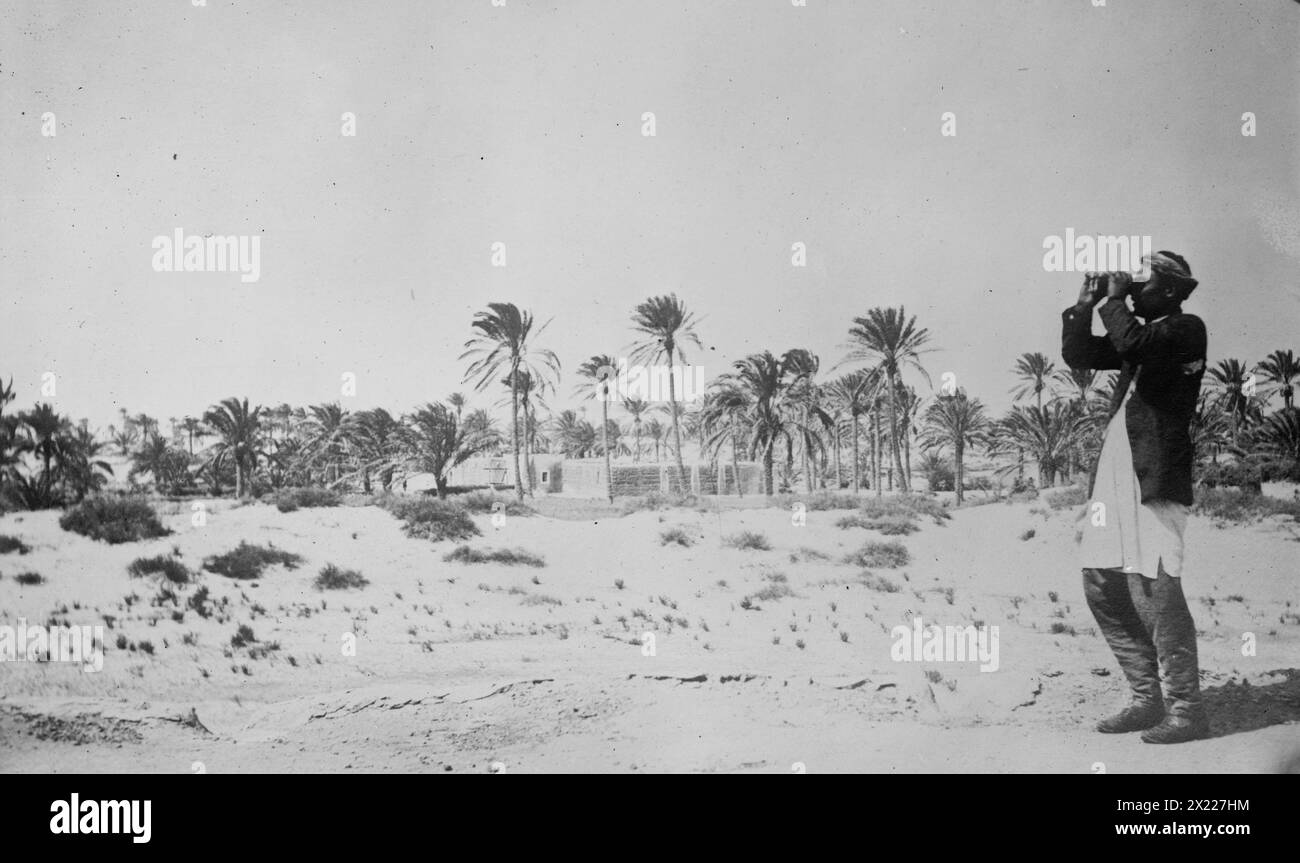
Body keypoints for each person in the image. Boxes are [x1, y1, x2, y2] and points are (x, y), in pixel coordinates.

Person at [1060, 251, 1209, 744]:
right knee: (1101, 582)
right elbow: (1082, 357)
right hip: (1117, 476)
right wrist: (1085, 306)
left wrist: (1116, 297)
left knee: (1157, 590)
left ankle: (1186, 710)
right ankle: (1147, 699)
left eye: (1143, 282)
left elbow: (1131, 339)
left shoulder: (1184, 329)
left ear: (1169, 289)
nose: (1133, 288)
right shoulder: (1142, 340)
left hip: (1155, 478)